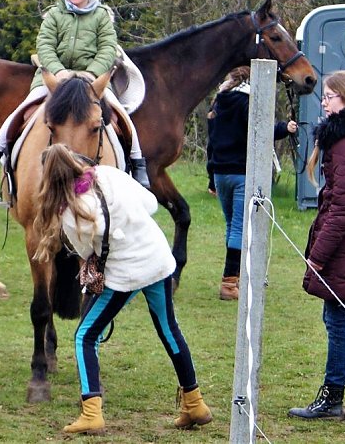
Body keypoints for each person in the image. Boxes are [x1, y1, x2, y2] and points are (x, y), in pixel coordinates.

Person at [33, 143, 211, 434]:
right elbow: (151, 204)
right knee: (169, 330)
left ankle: (92, 413)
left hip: (124, 274)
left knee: (84, 336)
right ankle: (194, 402)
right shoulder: (108, 173)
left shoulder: (69, 213)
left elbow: (86, 252)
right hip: (158, 258)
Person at [0, 0, 150, 188]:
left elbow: (108, 48)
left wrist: (91, 74)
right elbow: (44, 45)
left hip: (92, 82)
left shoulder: (102, 17)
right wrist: (58, 72)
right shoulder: (53, 15)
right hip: (53, 80)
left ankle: (137, 161)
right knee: (24, 109)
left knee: (120, 115)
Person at [288, 70, 345, 421]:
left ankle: (333, 395)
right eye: (323, 96)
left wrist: (318, 257)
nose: (323, 102)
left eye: (330, 96)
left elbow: (343, 208)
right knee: (339, 312)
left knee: (337, 315)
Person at [206, 66, 297, 300]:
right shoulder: (248, 103)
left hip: (220, 173)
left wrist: (211, 178)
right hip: (241, 172)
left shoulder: (217, 102)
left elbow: (211, 144)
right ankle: (229, 283)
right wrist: (285, 128)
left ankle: (235, 275)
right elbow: (262, 130)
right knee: (240, 227)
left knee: (231, 226)